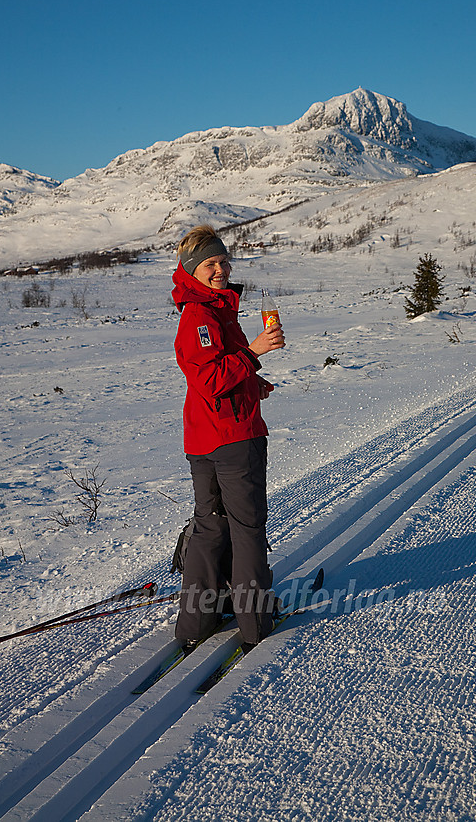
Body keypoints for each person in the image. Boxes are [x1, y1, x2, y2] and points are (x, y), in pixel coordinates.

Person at [172, 224, 285, 653]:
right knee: (246, 528)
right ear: (192, 271)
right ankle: (255, 622)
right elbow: (212, 379)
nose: (221, 269)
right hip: (232, 440)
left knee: (210, 528)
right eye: (210, 264)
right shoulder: (200, 317)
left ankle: (197, 621)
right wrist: (255, 352)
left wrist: (252, 384)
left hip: (206, 437)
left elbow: (220, 376)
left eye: (224, 261)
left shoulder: (215, 312)